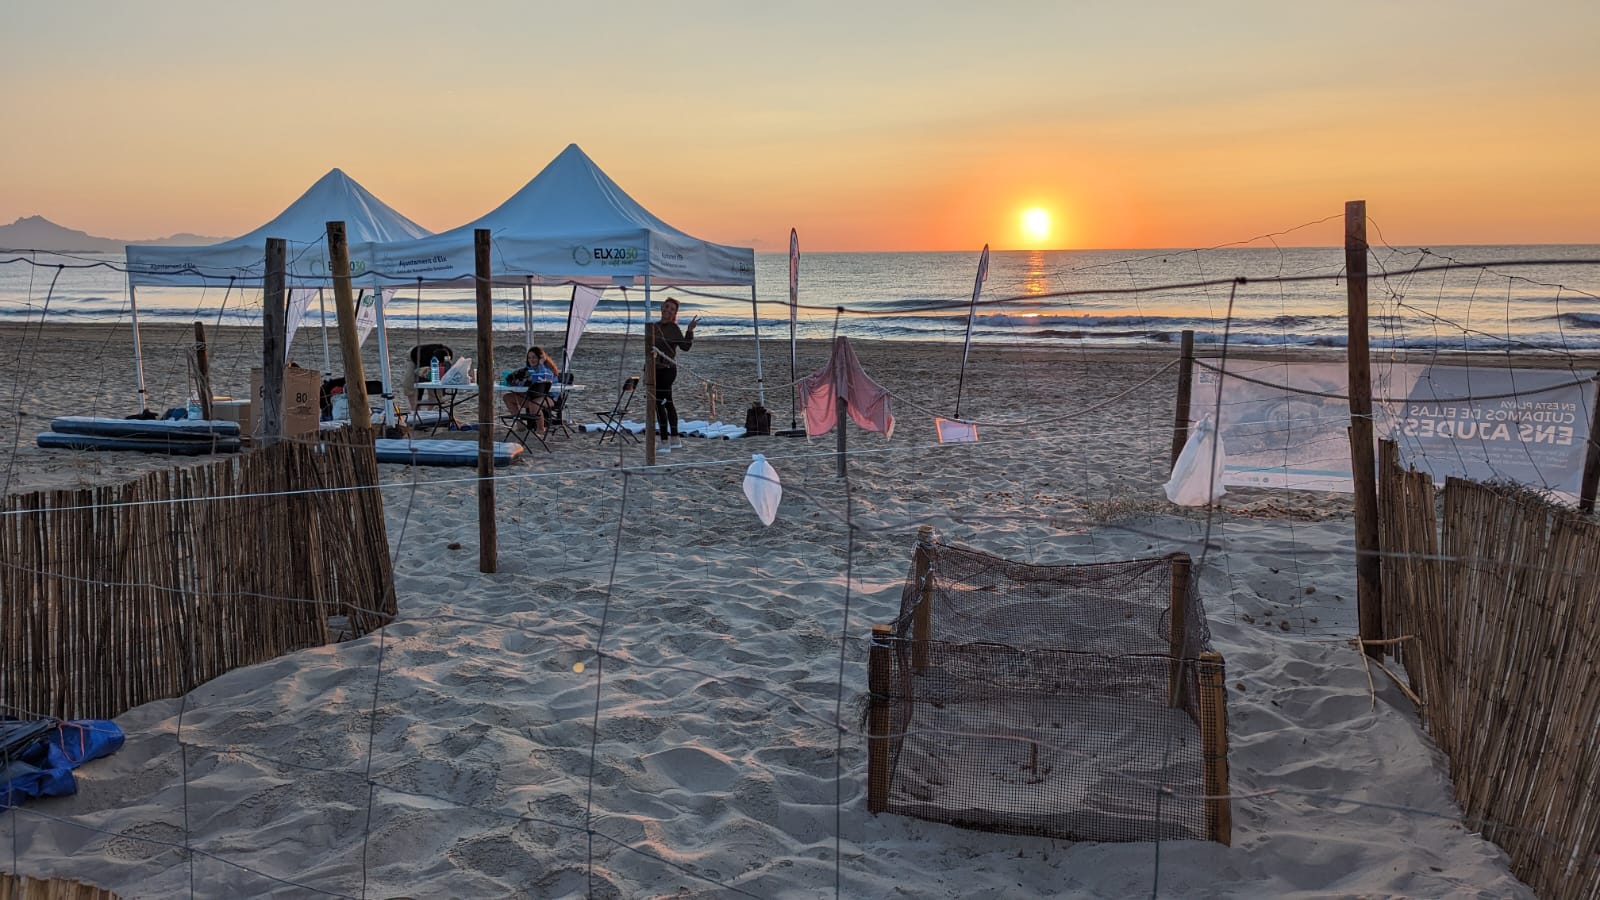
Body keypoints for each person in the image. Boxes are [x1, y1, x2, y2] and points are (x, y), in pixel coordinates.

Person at [652, 297, 697, 449]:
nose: (668, 310)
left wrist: (689, 331)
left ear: (674, 314)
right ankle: (675, 439)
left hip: (668, 370)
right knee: (666, 403)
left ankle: (665, 440)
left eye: (672, 309)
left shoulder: (673, 328)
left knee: (660, 403)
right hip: (654, 370)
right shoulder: (653, 326)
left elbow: (685, 347)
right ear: (661, 308)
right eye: (666, 307)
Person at [504, 346, 560, 435]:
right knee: (507, 397)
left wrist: (541, 364)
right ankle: (521, 426)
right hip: (532, 396)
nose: (531, 360)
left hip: (549, 398)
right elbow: (524, 382)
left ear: (540, 357)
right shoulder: (529, 370)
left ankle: (541, 429)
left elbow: (542, 378)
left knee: (534, 403)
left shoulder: (547, 369)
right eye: (529, 358)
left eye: (534, 357)